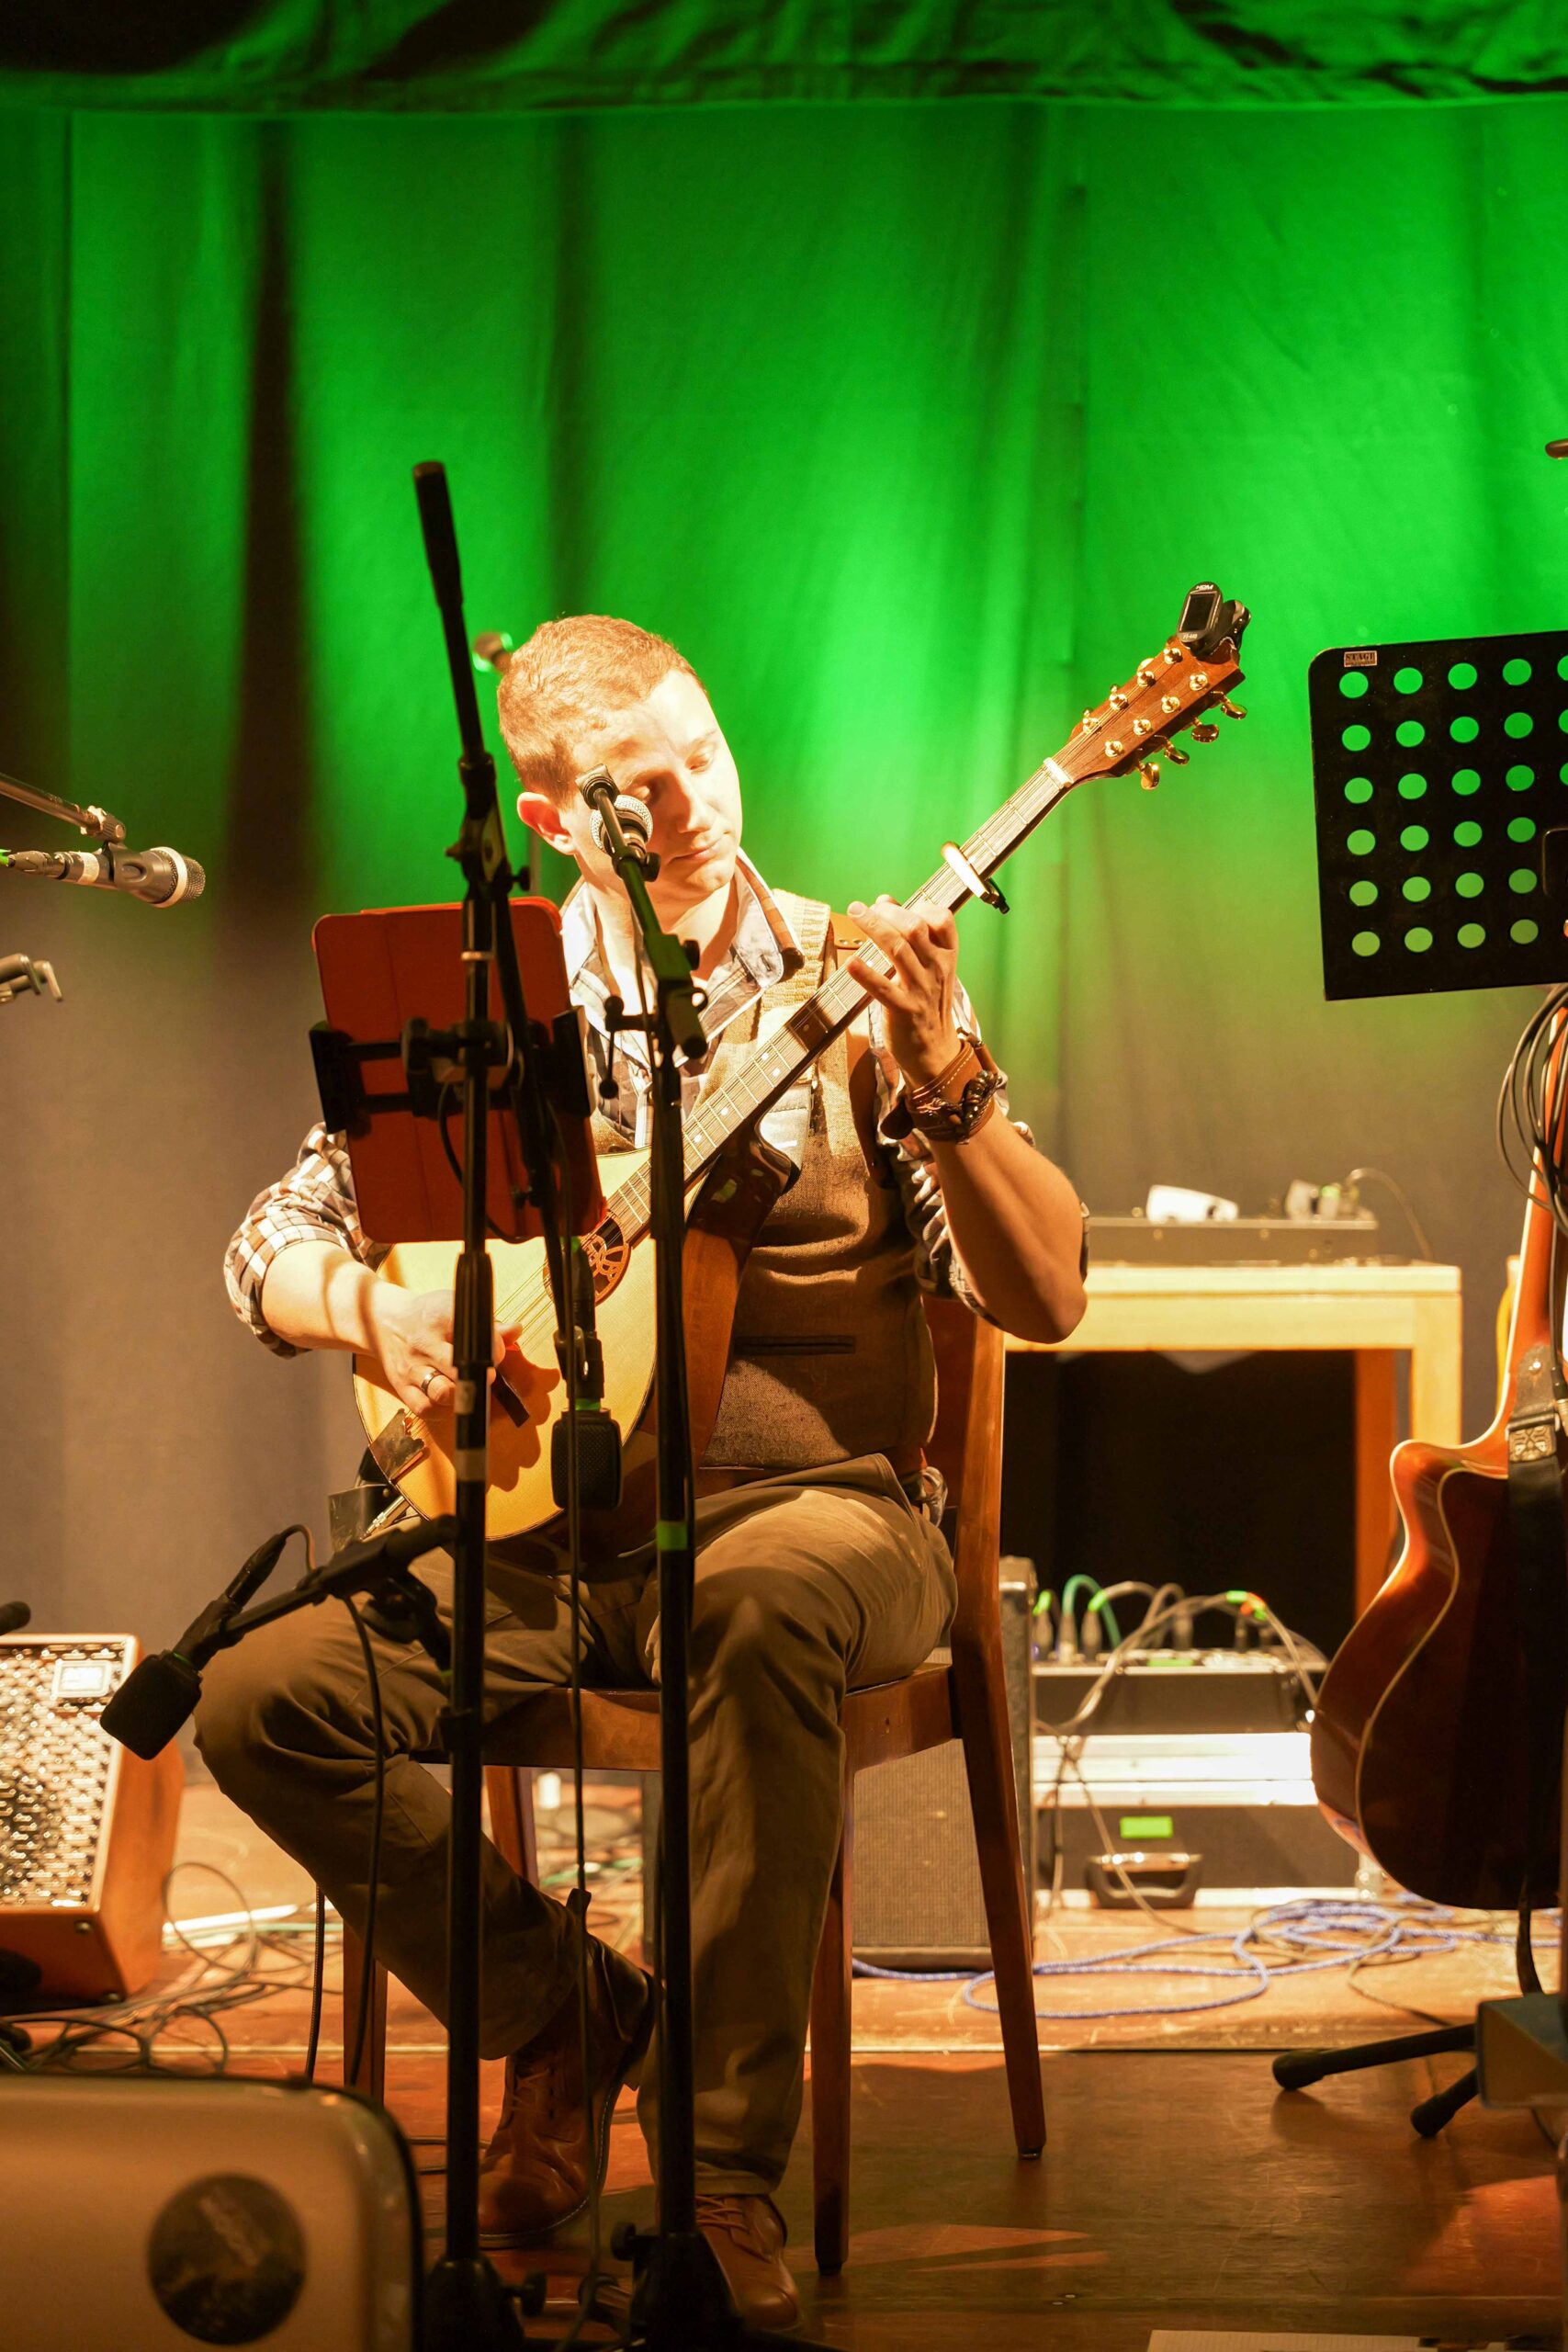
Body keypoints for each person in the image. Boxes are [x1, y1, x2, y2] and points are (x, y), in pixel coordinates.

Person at [198, 615, 1087, 2327]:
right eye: (637, 789)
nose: (694, 803)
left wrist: (949, 1074)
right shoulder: (495, 1006)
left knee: (756, 1610)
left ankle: (717, 2178)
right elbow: (270, 1242)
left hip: (816, 1513)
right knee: (258, 1698)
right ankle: (565, 2011)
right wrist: (377, 1312)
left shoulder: (857, 980)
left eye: (704, 753)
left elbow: (1043, 1295)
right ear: (547, 820)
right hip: (547, 1530)